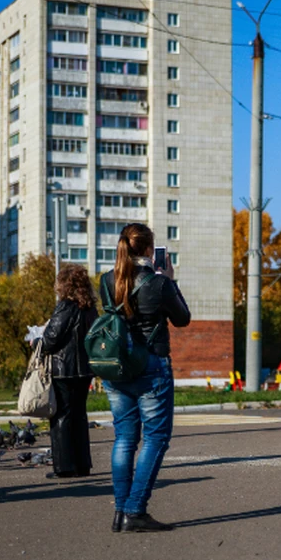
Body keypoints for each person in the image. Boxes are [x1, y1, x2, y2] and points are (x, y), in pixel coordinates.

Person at [101, 223, 191, 533]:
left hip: (117, 368)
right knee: (155, 438)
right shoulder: (158, 283)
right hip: (152, 366)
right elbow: (182, 319)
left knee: (124, 439)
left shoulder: (106, 281)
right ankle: (135, 510)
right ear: (151, 249)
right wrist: (170, 282)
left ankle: (120, 512)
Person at [41, 263, 98, 480]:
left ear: (65, 284)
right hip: (85, 369)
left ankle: (64, 467)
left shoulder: (65, 306)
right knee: (79, 416)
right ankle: (83, 465)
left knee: (62, 416)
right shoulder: (90, 308)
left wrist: (38, 339)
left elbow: (51, 339)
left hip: (64, 369)